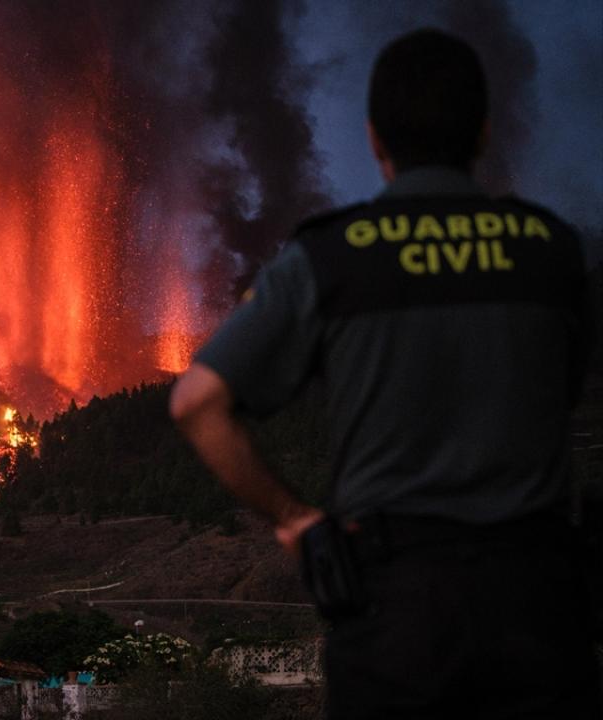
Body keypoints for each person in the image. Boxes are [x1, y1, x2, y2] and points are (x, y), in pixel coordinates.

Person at [170, 29, 599, 718]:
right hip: (538, 608)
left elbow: (195, 402)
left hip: (397, 616)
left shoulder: (335, 258)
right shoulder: (554, 252)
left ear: (374, 140)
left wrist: (297, 520)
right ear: (484, 132)